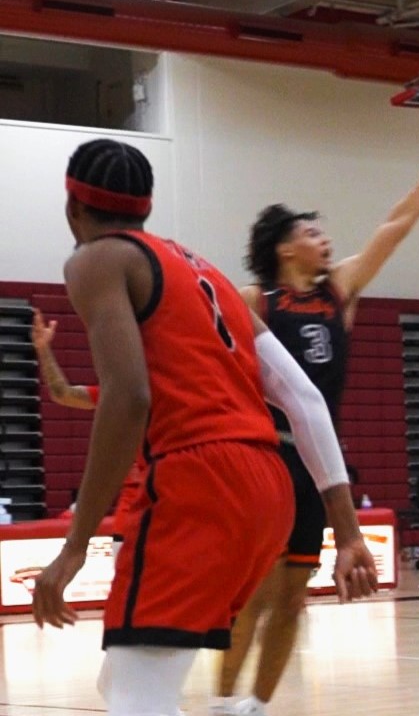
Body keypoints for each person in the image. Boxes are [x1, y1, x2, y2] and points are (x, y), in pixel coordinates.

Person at [32, 138, 376, 716]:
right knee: (122, 681)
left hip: (198, 479)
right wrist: (348, 532)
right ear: (146, 205)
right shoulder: (207, 272)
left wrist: (72, 548)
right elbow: (305, 399)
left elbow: (129, 395)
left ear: (73, 207)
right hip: (270, 488)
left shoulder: (96, 259)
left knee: (138, 694)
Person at [216, 114, 419, 716]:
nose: (325, 239)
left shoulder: (339, 292)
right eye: (312, 231)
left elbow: (396, 226)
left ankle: (253, 707)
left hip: (316, 463)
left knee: (294, 596)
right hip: (265, 459)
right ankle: (221, 704)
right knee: (252, 593)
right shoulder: (255, 302)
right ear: (284, 246)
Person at [30, 309, 142, 560]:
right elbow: (62, 393)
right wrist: (44, 350)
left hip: (175, 516)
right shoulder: (119, 395)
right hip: (131, 524)